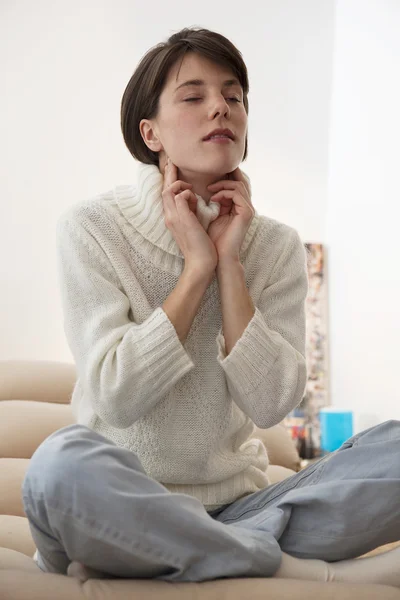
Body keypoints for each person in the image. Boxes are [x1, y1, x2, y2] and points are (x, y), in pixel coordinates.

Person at [22, 26, 400, 587]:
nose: (220, 108)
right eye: (194, 96)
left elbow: (273, 403)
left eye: (233, 96)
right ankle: (281, 566)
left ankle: (203, 550)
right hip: (119, 505)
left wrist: (229, 266)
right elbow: (114, 396)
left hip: (244, 511)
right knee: (59, 466)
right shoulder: (92, 228)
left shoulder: (273, 245)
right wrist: (195, 270)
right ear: (149, 132)